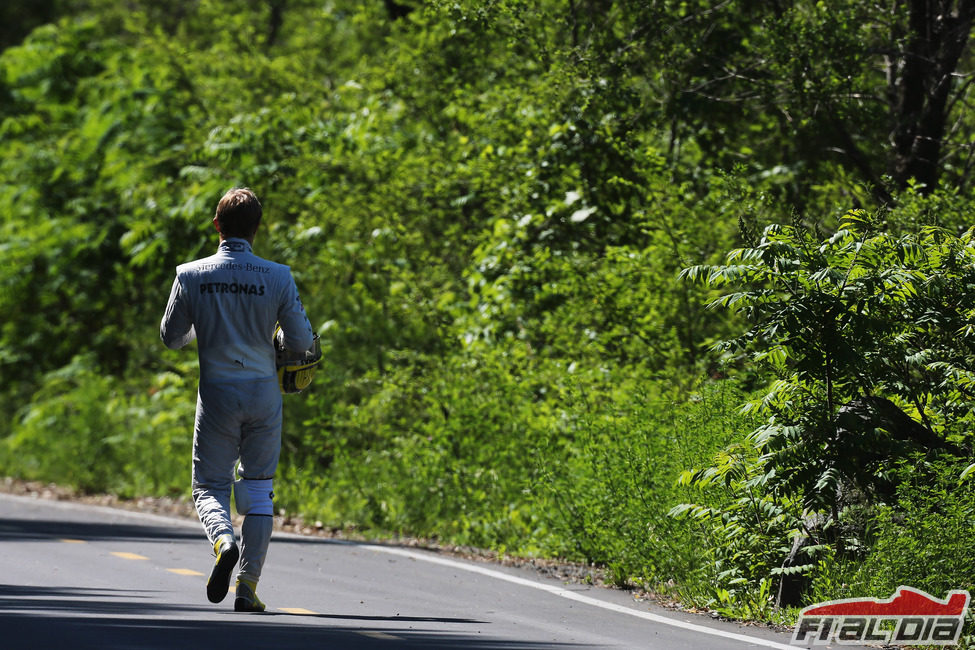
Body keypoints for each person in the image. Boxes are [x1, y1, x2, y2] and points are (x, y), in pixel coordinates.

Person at [160, 187, 314, 612]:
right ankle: (247, 586)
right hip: (264, 393)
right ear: (257, 229)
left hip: (218, 396)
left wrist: (201, 331)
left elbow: (171, 337)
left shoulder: (190, 274)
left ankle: (223, 540)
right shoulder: (278, 275)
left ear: (216, 225)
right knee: (259, 490)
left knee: (210, 484)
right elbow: (301, 342)